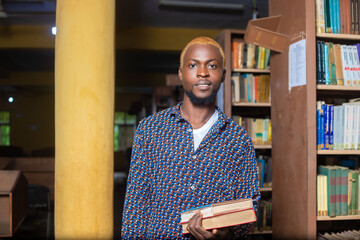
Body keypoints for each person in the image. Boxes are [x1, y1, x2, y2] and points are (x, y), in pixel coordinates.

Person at [121, 36, 260, 239]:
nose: (202, 73)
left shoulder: (238, 139)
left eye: (212, 66)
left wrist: (226, 235)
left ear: (223, 75)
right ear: (181, 73)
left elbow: (250, 203)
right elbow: (136, 202)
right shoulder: (150, 130)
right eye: (193, 65)